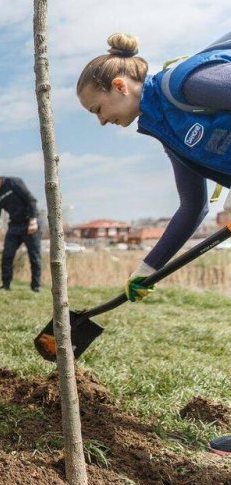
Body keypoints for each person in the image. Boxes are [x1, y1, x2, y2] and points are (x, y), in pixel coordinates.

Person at [76, 32, 231, 454]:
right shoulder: (166, 127)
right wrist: (148, 269)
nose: (101, 120)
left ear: (120, 87)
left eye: (98, 109)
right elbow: (192, 206)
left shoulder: (183, 83)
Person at [0, 169, 42, 292]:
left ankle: (35, 287)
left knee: (34, 257)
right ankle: (6, 285)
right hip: (14, 226)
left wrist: (33, 221)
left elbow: (31, 200)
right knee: (7, 256)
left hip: (29, 223)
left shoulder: (13, 182)